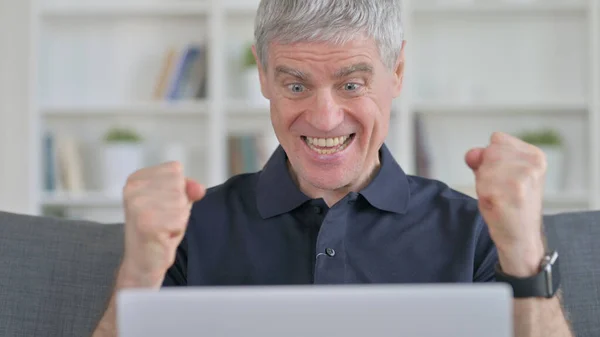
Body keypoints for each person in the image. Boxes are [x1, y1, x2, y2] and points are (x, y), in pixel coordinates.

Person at [92, 0, 574, 336]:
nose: (324, 119)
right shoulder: (191, 228)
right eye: (296, 86)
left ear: (398, 72)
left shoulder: (474, 228)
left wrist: (524, 252)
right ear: (262, 74)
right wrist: (136, 277)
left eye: (351, 84)